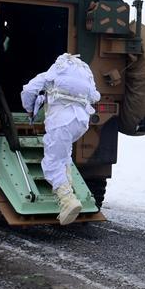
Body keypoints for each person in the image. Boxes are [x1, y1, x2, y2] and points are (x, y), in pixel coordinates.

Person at [20, 53, 100, 225]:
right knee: (64, 156)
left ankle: (67, 200)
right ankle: (67, 187)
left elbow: (29, 90)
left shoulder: (52, 74)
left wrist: (29, 109)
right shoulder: (85, 78)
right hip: (81, 122)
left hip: (61, 121)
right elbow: (95, 96)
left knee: (51, 162)